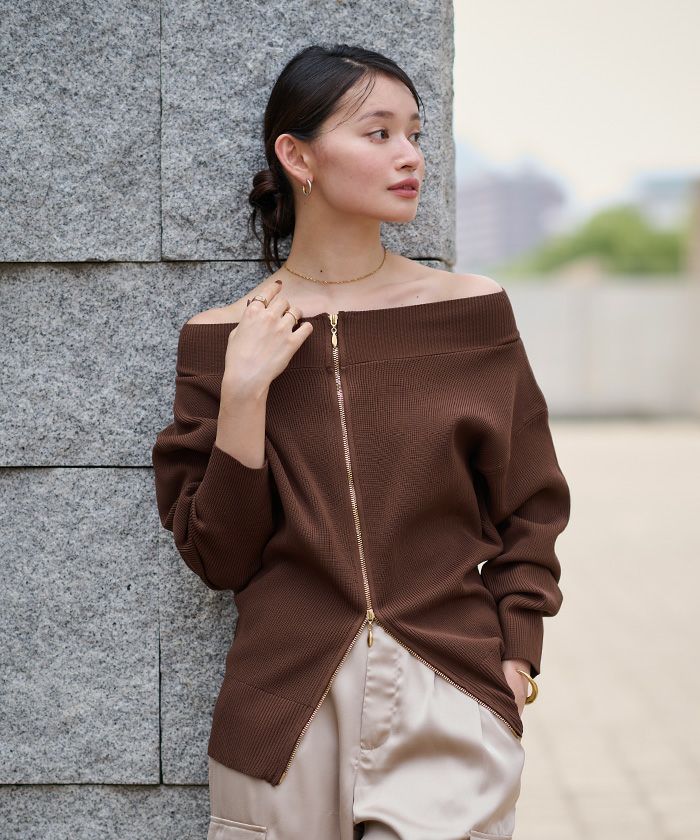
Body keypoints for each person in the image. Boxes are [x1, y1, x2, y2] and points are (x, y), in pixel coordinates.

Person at [152, 43, 571, 840]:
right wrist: (243, 394)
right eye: (378, 133)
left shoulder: (469, 314)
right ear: (298, 156)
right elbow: (220, 557)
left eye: (415, 133)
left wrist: (516, 656)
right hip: (283, 715)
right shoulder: (220, 339)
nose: (410, 156)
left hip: (448, 689)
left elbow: (531, 502)